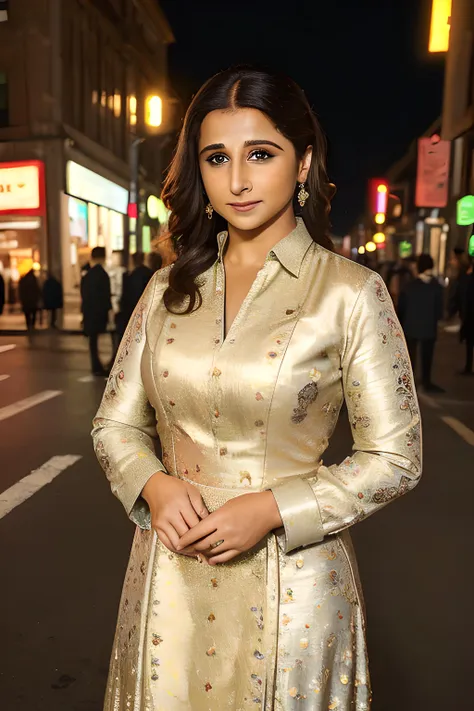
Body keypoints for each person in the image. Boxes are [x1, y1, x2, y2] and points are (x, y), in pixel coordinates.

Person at [92, 66, 422, 711]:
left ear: (302, 163)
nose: (237, 180)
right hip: (169, 577)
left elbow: (396, 458)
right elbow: (115, 424)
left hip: (293, 582)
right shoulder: (166, 290)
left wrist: (275, 508)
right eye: (217, 157)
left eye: (260, 154)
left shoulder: (351, 293)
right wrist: (152, 484)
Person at [398, 253, 444, 392]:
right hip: (429, 327)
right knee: (427, 355)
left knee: (410, 357)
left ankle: (409, 383)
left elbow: (402, 307)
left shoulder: (409, 286)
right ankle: (426, 381)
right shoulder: (437, 286)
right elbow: (439, 310)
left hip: (410, 326)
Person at [81, 246, 112, 376]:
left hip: (89, 312)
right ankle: (103, 365)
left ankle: (96, 365)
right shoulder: (103, 275)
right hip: (100, 312)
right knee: (105, 339)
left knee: (93, 341)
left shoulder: (88, 275)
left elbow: (84, 295)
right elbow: (106, 296)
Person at [116, 252, 153, 340]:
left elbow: (127, 294)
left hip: (131, 309)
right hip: (144, 308)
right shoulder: (149, 273)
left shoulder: (131, 275)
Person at [454, 257, 474, 375]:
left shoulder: (469, 280)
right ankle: (468, 366)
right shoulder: (468, 279)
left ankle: (468, 367)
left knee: (470, 343)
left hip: (471, 316)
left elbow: (466, 297)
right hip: (470, 315)